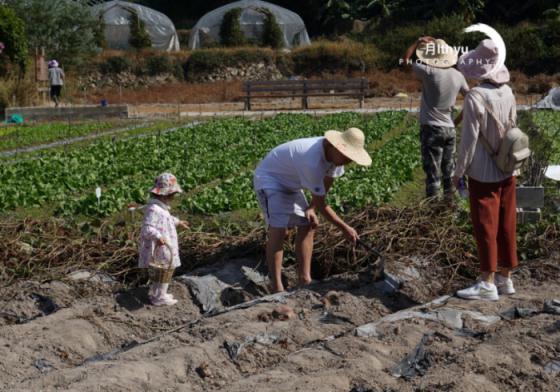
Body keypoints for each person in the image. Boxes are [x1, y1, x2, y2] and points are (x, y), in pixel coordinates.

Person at [253, 127, 372, 293]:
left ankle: (304, 279)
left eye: (351, 158)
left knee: (308, 224)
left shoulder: (336, 157)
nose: (348, 161)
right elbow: (323, 205)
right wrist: (344, 228)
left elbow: (327, 182)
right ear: (335, 147)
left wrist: (311, 208)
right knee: (279, 231)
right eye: (347, 156)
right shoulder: (312, 160)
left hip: (292, 183)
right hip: (271, 180)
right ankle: (277, 288)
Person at [453, 39, 518, 301]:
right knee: (506, 224)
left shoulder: (476, 96)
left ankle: (487, 282)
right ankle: (506, 278)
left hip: (483, 171)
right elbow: (513, 126)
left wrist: (458, 172)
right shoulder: (509, 92)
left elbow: (468, 140)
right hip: (508, 167)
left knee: (485, 226)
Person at [403, 37, 469, 198]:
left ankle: (433, 211)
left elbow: (405, 62)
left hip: (431, 128)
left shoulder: (428, 72)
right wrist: (456, 121)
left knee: (433, 173)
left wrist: (417, 42)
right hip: (449, 129)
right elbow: (471, 99)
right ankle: (450, 207)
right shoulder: (458, 75)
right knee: (449, 171)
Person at [138, 173, 189, 306]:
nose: (173, 197)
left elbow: (166, 219)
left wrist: (178, 222)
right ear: (164, 194)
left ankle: (157, 293)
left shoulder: (161, 208)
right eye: (172, 195)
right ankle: (159, 297)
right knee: (165, 270)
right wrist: (158, 237)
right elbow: (147, 228)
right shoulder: (153, 209)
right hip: (161, 247)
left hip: (166, 245)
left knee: (162, 272)